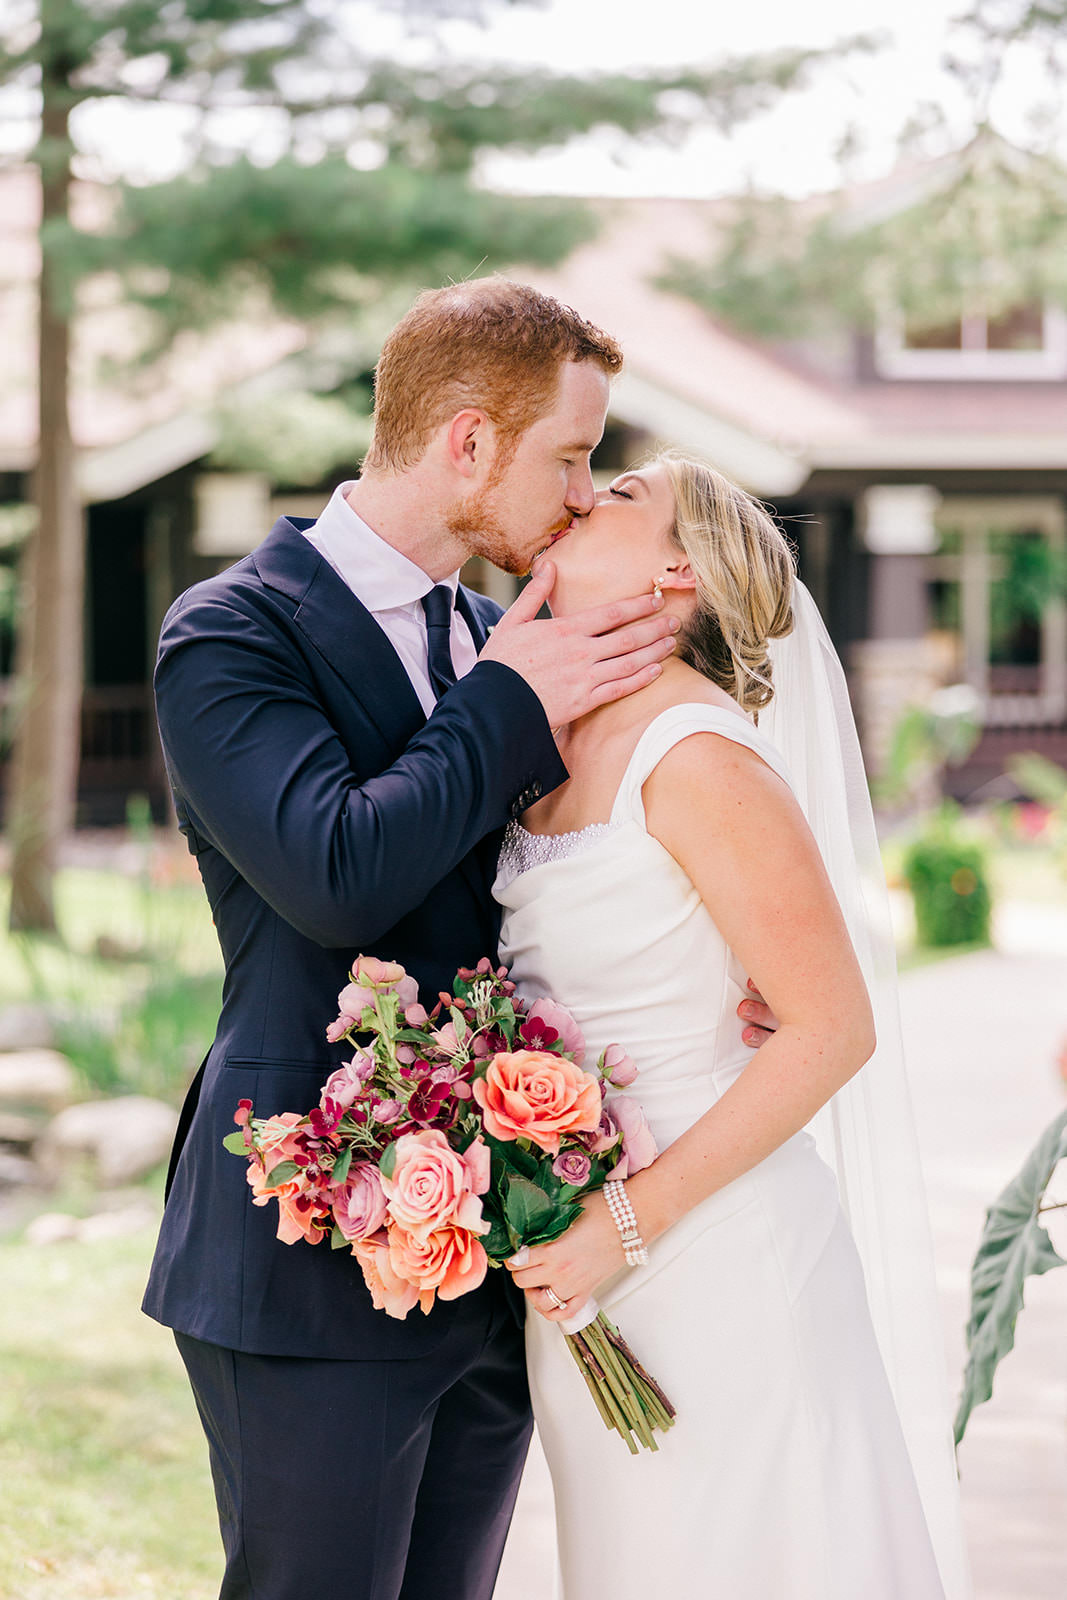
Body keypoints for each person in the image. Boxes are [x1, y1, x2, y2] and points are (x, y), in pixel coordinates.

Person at [142, 279, 780, 1600]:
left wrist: (731, 977)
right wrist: (499, 700)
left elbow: (580, 876)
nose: (577, 491)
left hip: (491, 1249)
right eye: (567, 454)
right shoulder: (230, 635)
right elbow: (333, 878)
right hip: (304, 1249)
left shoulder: (506, 641)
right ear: (466, 441)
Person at [497, 453, 970, 1599]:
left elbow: (827, 1027)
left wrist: (623, 1220)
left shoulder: (696, 754)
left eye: (617, 495)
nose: (581, 494)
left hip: (715, 1259)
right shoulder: (548, 737)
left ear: (677, 572)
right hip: (591, 1279)